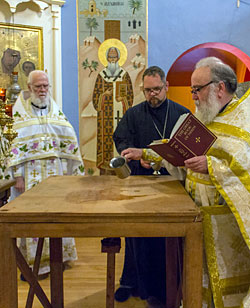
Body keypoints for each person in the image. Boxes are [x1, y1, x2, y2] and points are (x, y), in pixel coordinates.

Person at [122, 57, 250, 308]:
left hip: (227, 224)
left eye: (197, 89)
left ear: (220, 88)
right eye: (192, 90)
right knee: (195, 282)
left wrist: (211, 166)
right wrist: (145, 153)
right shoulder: (202, 117)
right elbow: (179, 151)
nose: (193, 96)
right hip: (195, 218)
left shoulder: (245, 120)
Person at [113, 66, 189, 307]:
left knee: (163, 239)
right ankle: (132, 282)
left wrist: (152, 155)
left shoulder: (182, 115)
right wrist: (135, 155)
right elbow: (121, 138)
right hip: (141, 181)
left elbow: (186, 150)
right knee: (137, 235)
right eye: (147, 91)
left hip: (171, 184)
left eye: (157, 89)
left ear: (166, 86)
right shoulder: (134, 114)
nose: (152, 95)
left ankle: (164, 289)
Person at [8, 70, 85, 278]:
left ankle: (58, 259)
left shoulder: (54, 110)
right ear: (30, 88)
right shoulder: (19, 113)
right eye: (38, 87)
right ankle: (34, 265)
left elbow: (67, 137)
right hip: (30, 174)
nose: (42, 90)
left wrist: (71, 175)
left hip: (54, 174)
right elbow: (12, 146)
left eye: (45, 86)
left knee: (56, 214)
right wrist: (17, 176)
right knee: (32, 217)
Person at [93, 45, 134, 173]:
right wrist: (104, 95)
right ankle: (106, 164)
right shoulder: (101, 75)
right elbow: (95, 98)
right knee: (106, 140)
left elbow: (130, 97)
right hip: (106, 117)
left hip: (121, 114)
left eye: (114, 57)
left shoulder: (124, 75)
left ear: (118, 57)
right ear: (106, 58)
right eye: (110, 57)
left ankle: (123, 164)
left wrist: (123, 99)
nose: (112, 60)